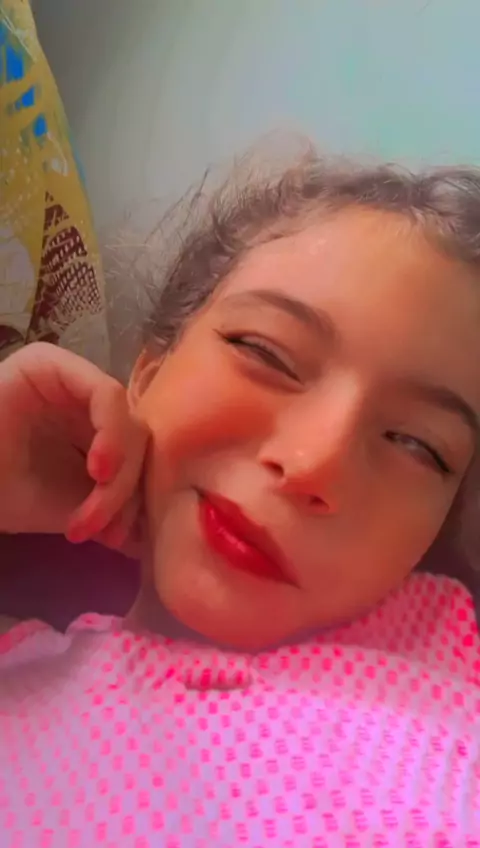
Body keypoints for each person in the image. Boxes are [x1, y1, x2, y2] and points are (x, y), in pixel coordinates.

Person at [2, 149, 480, 846]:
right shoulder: (24, 667)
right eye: (265, 352)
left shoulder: (444, 733)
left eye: (416, 444)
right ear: (147, 374)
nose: (313, 465)